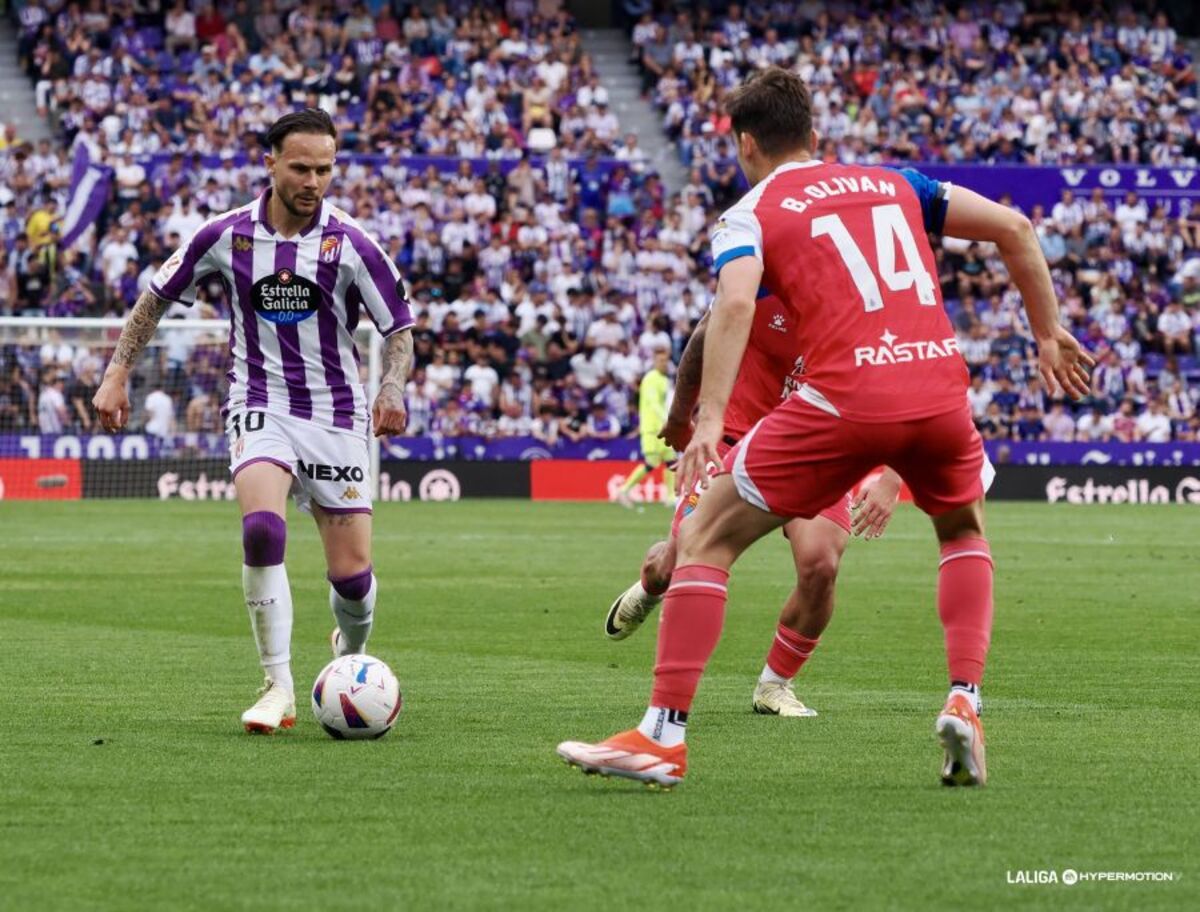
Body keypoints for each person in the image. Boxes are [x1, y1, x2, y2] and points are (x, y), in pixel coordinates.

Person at [558, 68, 1092, 789]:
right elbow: (1015, 228)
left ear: (746, 145)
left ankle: (661, 736)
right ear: (817, 135)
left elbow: (734, 308)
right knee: (963, 533)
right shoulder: (899, 183)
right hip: (938, 390)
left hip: (841, 397)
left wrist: (708, 418)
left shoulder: (750, 210)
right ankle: (965, 701)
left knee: (706, 539)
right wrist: (1048, 333)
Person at [93, 109, 415, 734]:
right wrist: (115, 373)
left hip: (337, 414)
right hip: (258, 402)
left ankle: (349, 661)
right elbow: (154, 298)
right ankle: (278, 686)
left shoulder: (351, 243)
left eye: (325, 169)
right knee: (262, 531)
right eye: (301, 167)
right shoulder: (225, 234)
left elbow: (398, 326)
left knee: (352, 580)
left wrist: (393, 385)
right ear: (270, 163)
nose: (314, 181)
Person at [603, 293, 903, 717]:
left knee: (821, 565)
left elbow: (904, 376)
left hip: (817, 448)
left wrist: (893, 476)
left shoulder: (864, 291)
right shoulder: (761, 275)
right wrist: (679, 417)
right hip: (736, 438)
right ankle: (651, 586)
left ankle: (774, 685)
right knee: (672, 564)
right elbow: (707, 333)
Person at [615, 347, 674, 506]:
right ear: (654, 362)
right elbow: (654, 403)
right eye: (661, 360)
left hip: (663, 427)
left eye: (666, 360)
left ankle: (669, 497)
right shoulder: (651, 379)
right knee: (652, 463)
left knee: (671, 460)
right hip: (652, 428)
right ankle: (624, 490)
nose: (664, 363)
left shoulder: (663, 379)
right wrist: (666, 419)